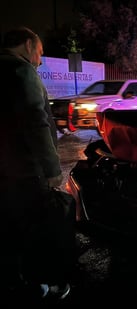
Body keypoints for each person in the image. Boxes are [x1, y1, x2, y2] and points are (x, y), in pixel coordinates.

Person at [0, 27, 74, 301]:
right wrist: (53, 170)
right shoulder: (21, 72)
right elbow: (36, 123)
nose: (40, 61)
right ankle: (40, 284)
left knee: (7, 228)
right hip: (25, 172)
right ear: (28, 45)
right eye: (40, 53)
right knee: (33, 229)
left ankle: (13, 279)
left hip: (5, 172)